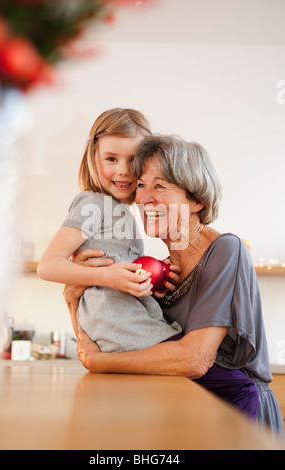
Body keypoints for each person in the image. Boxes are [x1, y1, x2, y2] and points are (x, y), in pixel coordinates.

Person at [65, 134, 284, 437]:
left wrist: (101, 363)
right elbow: (108, 337)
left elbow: (194, 359)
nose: (144, 198)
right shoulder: (161, 269)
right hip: (190, 413)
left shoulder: (225, 250)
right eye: (141, 185)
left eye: (160, 185)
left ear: (197, 201)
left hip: (239, 416)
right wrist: (74, 294)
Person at [37, 108, 183, 354]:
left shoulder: (120, 210)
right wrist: (106, 277)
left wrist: (151, 278)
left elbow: (116, 267)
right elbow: (47, 265)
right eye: (111, 159)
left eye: (133, 159)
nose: (124, 170)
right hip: (127, 332)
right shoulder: (92, 203)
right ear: (93, 158)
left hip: (128, 327)